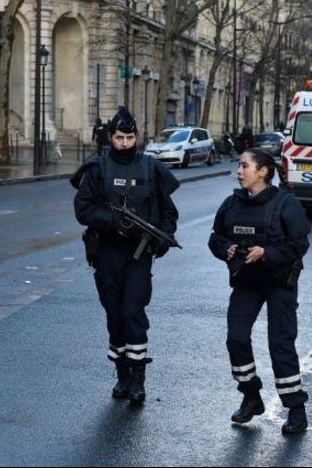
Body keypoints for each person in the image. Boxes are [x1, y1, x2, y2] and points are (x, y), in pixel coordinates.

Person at [70, 106, 180, 404]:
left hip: (138, 254)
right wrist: (110, 221)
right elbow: (83, 209)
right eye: (119, 137)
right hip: (107, 252)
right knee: (115, 315)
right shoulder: (97, 169)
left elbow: (169, 214)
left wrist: (163, 238)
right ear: (110, 137)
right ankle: (121, 374)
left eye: (130, 137)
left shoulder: (150, 168)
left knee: (133, 312)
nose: (125, 143)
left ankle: (138, 379)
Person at [208, 148, 311, 435]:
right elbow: (216, 237)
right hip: (247, 281)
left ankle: (296, 409)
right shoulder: (232, 203)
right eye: (239, 166)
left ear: (263, 172)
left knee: (280, 344)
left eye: (244, 166)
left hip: (280, 281)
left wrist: (266, 253)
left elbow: (299, 246)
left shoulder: (286, 204)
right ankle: (251, 395)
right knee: (236, 338)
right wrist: (225, 248)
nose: (239, 171)